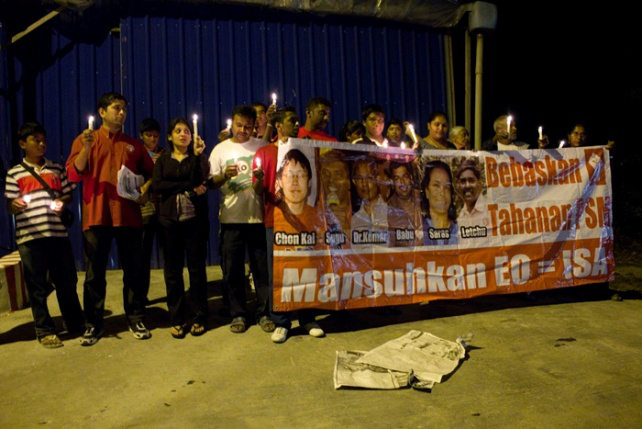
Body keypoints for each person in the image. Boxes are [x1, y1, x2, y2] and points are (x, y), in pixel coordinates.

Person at [66, 92, 154, 346]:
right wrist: (86, 148)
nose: (122, 112)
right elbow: (73, 175)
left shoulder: (133, 145)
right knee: (94, 274)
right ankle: (93, 324)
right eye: (116, 108)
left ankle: (136, 317)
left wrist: (145, 190)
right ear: (102, 112)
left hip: (128, 216)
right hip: (97, 216)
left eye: (124, 108)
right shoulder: (85, 140)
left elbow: (151, 174)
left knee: (133, 271)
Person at [5, 121, 85, 348]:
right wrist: (15, 205)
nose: (41, 144)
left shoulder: (56, 169)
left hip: (57, 235)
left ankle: (75, 322)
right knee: (37, 286)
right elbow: (9, 205)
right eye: (36, 141)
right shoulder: (14, 173)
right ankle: (45, 330)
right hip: (30, 238)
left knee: (67, 281)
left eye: (43, 140)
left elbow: (68, 194)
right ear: (22, 144)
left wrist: (61, 201)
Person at [209, 104, 272, 334]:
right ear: (232, 123)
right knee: (233, 270)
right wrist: (223, 176)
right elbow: (210, 183)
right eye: (239, 125)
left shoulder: (262, 147)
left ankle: (264, 313)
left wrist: (260, 179)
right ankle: (238, 313)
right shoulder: (220, 149)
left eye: (248, 126)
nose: (243, 130)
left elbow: (270, 182)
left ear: (254, 126)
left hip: (258, 218)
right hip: (231, 218)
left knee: (262, 269)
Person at [153, 118, 210, 338]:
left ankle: (199, 316)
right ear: (170, 136)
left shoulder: (197, 158)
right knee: (173, 271)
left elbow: (199, 179)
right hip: (168, 222)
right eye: (178, 131)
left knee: (196, 270)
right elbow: (158, 186)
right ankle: (176, 318)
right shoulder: (162, 160)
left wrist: (197, 156)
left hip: (194, 220)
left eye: (187, 131)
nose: (183, 134)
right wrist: (187, 186)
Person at [139, 118, 164, 305]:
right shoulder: (137, 154)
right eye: (149, 135)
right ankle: (141, 296)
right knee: (142, 256)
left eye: (156, 136)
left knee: (170, 254)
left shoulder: (165, 154)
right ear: (141, 136)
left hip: (163, 210)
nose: (153, 139)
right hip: (144, 210)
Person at [351, 155, 391, 248]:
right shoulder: (354, 220)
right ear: (354, 182)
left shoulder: (391, 213)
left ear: (377, 179)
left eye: (369, 178)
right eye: (359, 178)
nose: (364, 184)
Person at [319, 149, 352, 245]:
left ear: (348, 182)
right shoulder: (314, 209)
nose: (331, 180)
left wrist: (349, 232)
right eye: (326, 174)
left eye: (338, 175)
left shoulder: (361, 207)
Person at [421, 160, 458, 245]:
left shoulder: (460, 230)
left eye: (446, 187)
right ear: (427, 191)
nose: (442, 193)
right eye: (436, 186)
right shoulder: (417, 230)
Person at [387, 161, 422, 246]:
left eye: (405, 176)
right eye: (397, 178)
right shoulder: (388, 209)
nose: (402, 182)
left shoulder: (423, 198)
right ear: (392, 182)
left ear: (411, 177)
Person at [455, 158, 490, 229]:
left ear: (480, 183)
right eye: (463, 181)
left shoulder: (490, 209)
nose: (467, 185)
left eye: (471, 180)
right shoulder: (460, 217)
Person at [482, 115, 549, 151]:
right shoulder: (493, 149)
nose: (515, 128)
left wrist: (541, 148)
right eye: (511, 126)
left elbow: (536, 162)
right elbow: (484, 151)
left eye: (515, 126)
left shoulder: (523, 147)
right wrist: (495, 138)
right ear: (499, 130)